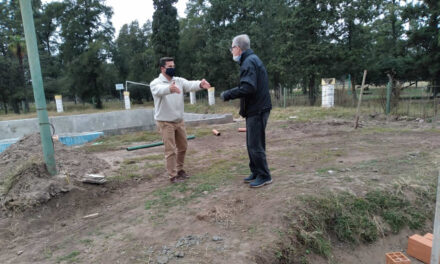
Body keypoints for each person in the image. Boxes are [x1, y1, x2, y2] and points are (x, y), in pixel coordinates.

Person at [220, 34, 273, 188]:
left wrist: (228, 94)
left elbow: (248, 87)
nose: (231, 52)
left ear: (238, 48)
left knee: (255, 144)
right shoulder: (250, 60)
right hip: (255, 108)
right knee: (251, 143)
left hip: (257, 109)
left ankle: (264, 175)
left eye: (232, 48)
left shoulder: (249, 62)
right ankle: (256, 171)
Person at [150, 57, 211, 183]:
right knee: (170, 150)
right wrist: (169, 89)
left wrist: (200, 84)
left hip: (179, 120)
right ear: (162, 69)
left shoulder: (178, 80)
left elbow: (189, 84)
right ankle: (172, 176)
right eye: (169, 67)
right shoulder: (156, 83)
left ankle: (180, 170)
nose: (172, 68)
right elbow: (159, 91)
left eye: (173, 66)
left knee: (183, 146)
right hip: (165, 122)